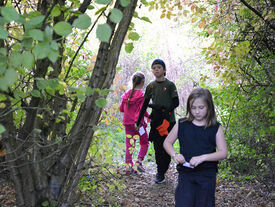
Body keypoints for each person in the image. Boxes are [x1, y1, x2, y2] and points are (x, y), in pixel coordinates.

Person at [163, 87, 228, 207]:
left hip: (207, 176)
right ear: (189, 108)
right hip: (186, 175)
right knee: (183, 203)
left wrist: (202, 158)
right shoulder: (182, 124)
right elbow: (167, 143)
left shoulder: (215, 128)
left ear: (209, 107)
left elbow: (223, 152)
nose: (197, 111)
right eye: (193, 108)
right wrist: (175, 155)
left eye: (201, 108)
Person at [136, 59, 179, 183]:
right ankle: (160, 173)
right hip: (156, 121)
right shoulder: (151, 86)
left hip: (169, 122)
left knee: (167, 147)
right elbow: (144, 104)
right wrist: (138, 121)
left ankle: (164, 168)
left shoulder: (170, 85)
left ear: (164, 70)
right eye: (154, 67)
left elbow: (176, 102)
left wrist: (165, 111)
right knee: (157, 147)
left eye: (159, 67)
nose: (156, 69)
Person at [120, 71, 150, 175]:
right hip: (138, 125)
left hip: (128, 124)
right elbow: (142, 109)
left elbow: (122, 109)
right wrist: (140, 121)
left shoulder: (126, 95)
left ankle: (128, 167)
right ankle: (138, 162)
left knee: (130, 145)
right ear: (142, 82)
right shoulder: (142, 95)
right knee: (145, 143)